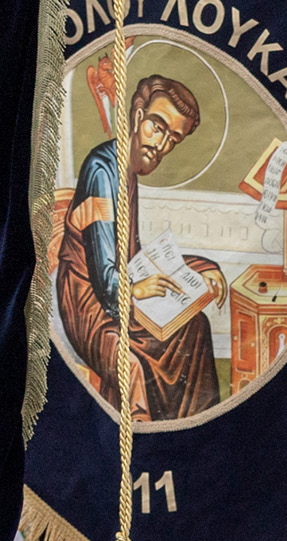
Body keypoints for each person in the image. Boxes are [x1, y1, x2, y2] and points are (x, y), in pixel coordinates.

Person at [61, 73, 227, 422]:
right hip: (88, 303)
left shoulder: (128, 171)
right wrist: (135, 289)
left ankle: (190, 432)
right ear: (138, 117)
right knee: (132, 366)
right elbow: (104, 277)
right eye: (157, 126)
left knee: (195, 327)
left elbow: (131, 257)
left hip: (119, 289)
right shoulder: (102, 170)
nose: (161, 144)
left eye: (172, 138)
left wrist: (200, 266)